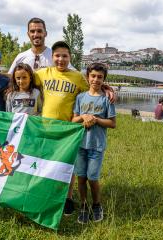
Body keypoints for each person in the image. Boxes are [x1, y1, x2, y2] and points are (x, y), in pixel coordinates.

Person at [34, 41, 114, 216]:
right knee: (47, 163)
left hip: (69, 128)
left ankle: (68, 198)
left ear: (70, 58)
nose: (61, 59)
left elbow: (93, 90)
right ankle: (48, 195)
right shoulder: (43, 73)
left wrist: (108, 89)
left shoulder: (77, 76)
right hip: (47, 127)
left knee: (67, 166)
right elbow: (20, 74)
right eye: (57, 56)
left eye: (65, 56)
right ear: (52, 57)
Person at [72, 63, 116, 224]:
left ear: (104, 79)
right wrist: (84, 117)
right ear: (87, 77)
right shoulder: (80, 97)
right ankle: (83, 205)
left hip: (96, 145)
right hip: (80, 145)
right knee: (81, 177)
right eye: (93, 76)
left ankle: (97, 204)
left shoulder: (107, 99)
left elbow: (112, 123)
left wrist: (96, 119)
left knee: (92, 177)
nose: (96, 80)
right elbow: (73, 119)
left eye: (100, 77)